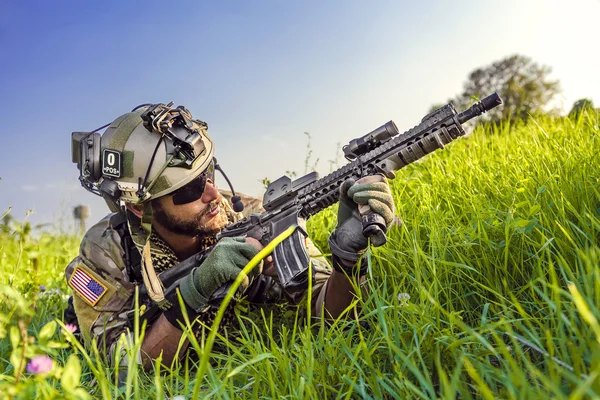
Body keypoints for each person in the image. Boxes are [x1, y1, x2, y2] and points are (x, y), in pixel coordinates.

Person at [65, 102, 395, 368]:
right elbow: (125, 365)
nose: (213, 195)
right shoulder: (108, 251)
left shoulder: (253, 217)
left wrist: (348, 259)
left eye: (209, 172)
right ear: (140, 209)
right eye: (191, 188)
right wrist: (196, 290)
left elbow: (333, 318)